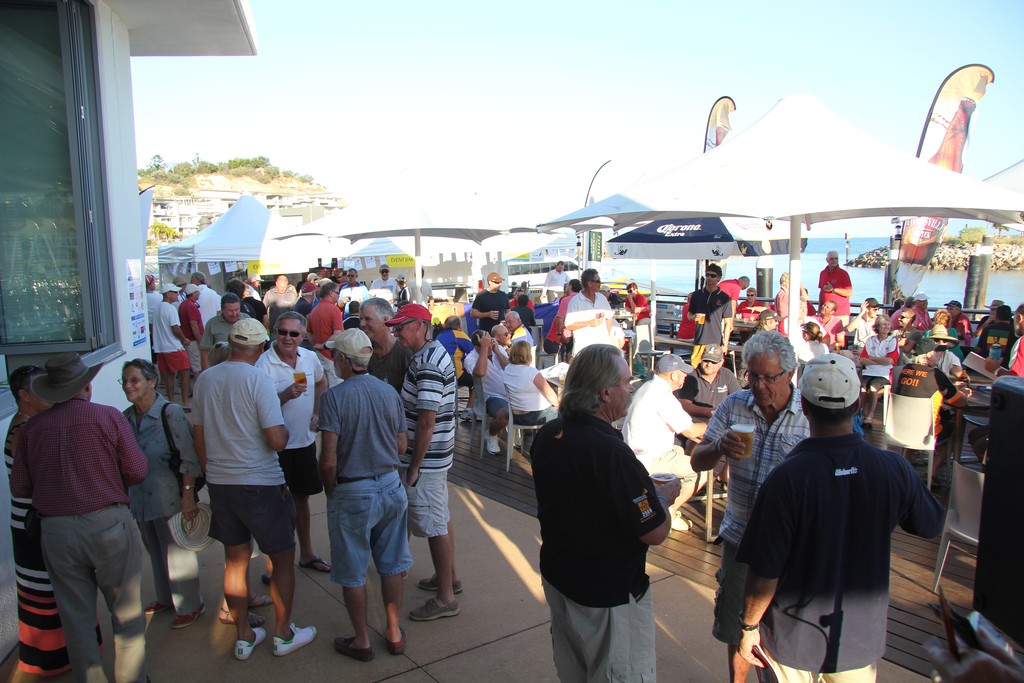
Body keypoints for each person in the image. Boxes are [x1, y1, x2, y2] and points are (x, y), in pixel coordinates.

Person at [736, 354, 944, 681]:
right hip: (858, 640)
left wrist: (748, 626)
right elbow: (930, 523)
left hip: (792, 640)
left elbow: (765, 573)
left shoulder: (787, 479)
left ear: (803, 406)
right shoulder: (894, 469)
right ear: (859, 403)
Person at [533, 344, 681, 682]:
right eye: (627, 383)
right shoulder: (610, 453)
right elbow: (654, 532)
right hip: (608, 596)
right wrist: (662, 499)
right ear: (604, 392)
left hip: (561, 579)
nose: (631, 389)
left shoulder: (548, 435)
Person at [11, 353, 149, 681]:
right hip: (108, 522)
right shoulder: (108, 417)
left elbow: (20, 487)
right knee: (126, 614)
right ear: (86, 386)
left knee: (76, 620)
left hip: (56, 530)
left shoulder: (32, 430)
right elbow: (137, 470)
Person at [193, 318, 317, 660]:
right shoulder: (258, 379)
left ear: (231, 343)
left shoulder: (204, 379)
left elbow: (199, 435)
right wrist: (287, 435)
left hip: (221, 483)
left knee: (234, 562)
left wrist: (211, 469)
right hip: (260, 481)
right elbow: (277, 440)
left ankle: (244, 635)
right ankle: (283, 632)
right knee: (282, 559)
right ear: (262, 346)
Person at [690, 331, 810, 683]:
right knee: (734, 627)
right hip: (740, 537)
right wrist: (717, 450)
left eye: (768, 377)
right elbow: (698, 461)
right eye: (753, 376)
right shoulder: (733, 406)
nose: (759, 385)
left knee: (783, 632)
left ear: (790, 374)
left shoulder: (809, 415)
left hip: (791, 547)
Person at [317, 328, 413, 662]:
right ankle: (394, 631)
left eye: (334, 356)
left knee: (354, 570)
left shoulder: (333, 397)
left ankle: (361, 640)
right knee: (391, 564)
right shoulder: (388, 393)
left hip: (354, 490)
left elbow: (327, 460)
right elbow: (402, 445)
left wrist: (331, 490)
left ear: (342, 360)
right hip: (390, 486)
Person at [384, 303, 461, 622]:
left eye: (400, 327)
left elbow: (427, 420)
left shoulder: (427, 362)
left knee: (433, 525)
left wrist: (414, 466)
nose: (396, 333)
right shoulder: (431, 354)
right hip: (434, 458)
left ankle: (445, 598)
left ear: (420, 326)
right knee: (438, 519)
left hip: (426, 461)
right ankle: (449, 580)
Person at [120, 359, 205, 629]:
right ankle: (166, 597)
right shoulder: (126, 417)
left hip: (170, 496)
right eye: (124, 381)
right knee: (154, 550)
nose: (128, 386)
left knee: (177, 551)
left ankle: (191, 604)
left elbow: (189, 457)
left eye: (134, 380)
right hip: (141, 498)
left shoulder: (170, 413)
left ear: (152, 382)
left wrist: (188, 494)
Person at [5, 364, 75, 677]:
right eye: (39, 389)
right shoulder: (23, 430)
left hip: (40, 520)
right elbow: (34, 481)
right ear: (23, 396)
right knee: (44, 593)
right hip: (33, 525)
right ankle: (51, 659)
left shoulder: (31, 425)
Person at [256, 311, 331, 579]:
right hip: (275, 448)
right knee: (274, 508)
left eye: (294, 333)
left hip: (303, 443)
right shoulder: (263, 364)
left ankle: (307, 553)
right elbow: (257, 408)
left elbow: (321, 382)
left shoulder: (309, 358)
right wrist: (284, 395)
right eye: (282, 332)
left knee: (302, 500)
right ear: (274, 332)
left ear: (303, 335)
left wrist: (317, 411)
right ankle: (271, 565)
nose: (287, 338)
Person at [623, 354, 704, 531]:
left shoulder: (647, 387)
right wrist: (714, 424)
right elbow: (690, 431)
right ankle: (666, 514)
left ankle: (664, 506)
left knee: (680, 451)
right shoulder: (663, 396)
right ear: (674, 375)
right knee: (701, 470)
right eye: (683, 373)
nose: (685, 376)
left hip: (634, 454)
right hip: (650, 459)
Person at [892, 337, 968, 482]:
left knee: (915, 422)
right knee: (952, 427)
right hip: (927, 431)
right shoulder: (936, 374)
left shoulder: (905, 370)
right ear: (928, 355)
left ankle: (905, 464)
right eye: (937, 353)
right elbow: (960, 402)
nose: (939, 356)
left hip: (899, 426)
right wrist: (963, 391)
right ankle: (932, 473)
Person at [676, 343, 742, 441]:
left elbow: (739, 400)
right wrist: (712, 412)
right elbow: (684, 405)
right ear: (701, 359)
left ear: (721, 362)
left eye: (713, 362)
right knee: (694, 443)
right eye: (706, 360)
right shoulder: (690, 377)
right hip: (697, 424)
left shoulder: (727, 374)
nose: (709, 364)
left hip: (723, 422)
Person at [466, 328, 511, 455]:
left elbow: (510, 368)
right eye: (486, 344)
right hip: (490, 397)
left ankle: (520, 434)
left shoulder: (498, 349)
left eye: (490, 342)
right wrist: (485, 350)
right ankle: (491, 434)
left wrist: (497, 350)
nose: (490, 346)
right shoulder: (470, 359)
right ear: (476, 347)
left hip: (511, 392)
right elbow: (480, 372)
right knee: (504, 416)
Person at [502, 340, 559, 431]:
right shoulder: (531, 372)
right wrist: (558, 406)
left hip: (515, 416)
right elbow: (550, 394)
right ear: (527, 355)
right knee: (566, 414)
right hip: (534, 416)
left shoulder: (507, 369)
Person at [361, 297, 413, 394]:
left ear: (386, 320)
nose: (362, 323)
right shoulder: (362, 353)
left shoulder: (404, 353)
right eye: (361, 319)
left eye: (367, 319)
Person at [153, 282, 192, 410]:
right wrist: (184, 339)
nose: (177, 294)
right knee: (184, 372)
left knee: (169, 376)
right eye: (175, 292)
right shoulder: (170, 309)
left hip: (160, 348)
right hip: (173, 347)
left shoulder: (157, 308)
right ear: (168, 294)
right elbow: (175, 328)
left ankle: (170, 401)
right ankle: (185, 402)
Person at [858, 314, 900, 427]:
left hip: (884, 373)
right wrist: (880, 361)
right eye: (883, 324)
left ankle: (870, 415)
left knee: (872, 388)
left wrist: (871, 358)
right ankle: (863, 413)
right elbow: (862, 360)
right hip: (869, 371)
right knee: (862, 388)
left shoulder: (892, 341)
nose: (886, 327)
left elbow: (889, 361)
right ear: (877, 327)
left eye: (888, 324)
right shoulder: (870, 340)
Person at [688, 263, 734, 365]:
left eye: (713, 276)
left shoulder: (724, 298)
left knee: (713, 368)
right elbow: (689, 314)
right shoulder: (696, 295)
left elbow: (728, 323)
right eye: (707, 275)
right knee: (695, 367)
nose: (709, 278)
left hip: (715, 340)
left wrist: (725, 344)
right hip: (700, 338)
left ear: (719, 278)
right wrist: (693, 317)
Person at [565, 268, 614, 353]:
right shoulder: (575, 301)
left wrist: (607, 336)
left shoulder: (602, 298)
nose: (600, 284)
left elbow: (609, 317)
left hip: (601, 348)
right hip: (583, 349)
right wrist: (589, 323)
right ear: (590, 283)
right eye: (598, 281)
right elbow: (568, 325)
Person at [199, 293, 250, 370]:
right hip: (220, 370)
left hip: (245, 368)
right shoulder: (212, 324)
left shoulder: (247, 320)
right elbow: (205, 351)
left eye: (237, 309)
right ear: (222, 310)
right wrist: (205, 373)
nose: (234, 314)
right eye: (230, 311)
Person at [308, 280, 345, 387]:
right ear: (331, 293)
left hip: (318, 355)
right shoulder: (334, 309)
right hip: (330, 356)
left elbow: (308, 332)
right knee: (336, 391)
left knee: (321, 389)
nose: (339, 296)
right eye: (338, 293)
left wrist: (316, 345)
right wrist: (323, 345)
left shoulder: (314, 310)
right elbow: (338, 333)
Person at [545, 279, 581, 358]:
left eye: (567, 286)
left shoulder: (565, 300)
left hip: (560, 340)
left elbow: (560, 319)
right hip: (577, 337)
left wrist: (559, 334)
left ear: (570, 286)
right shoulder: (583, 300)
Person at [818, 250, 853, 323]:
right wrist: (819, 310)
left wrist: (833, 289)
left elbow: (849, 293)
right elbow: (821, 292)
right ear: (827, 260)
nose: (834, 260)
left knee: (839, 334)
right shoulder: (823, 273)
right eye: (832, 259)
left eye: (836, 258)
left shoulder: (843, 274)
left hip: (840, 313)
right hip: (826, 313)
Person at [178, 283, 204, 376]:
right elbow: (194, 325)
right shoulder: (191, 306)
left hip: (188, 340)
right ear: (193, 293)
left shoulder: (184, 304)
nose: (199, 294)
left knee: (194, 365)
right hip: (192, 341)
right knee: (197, 367)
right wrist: (200, 340)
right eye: (198, 292)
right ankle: (198, 389)